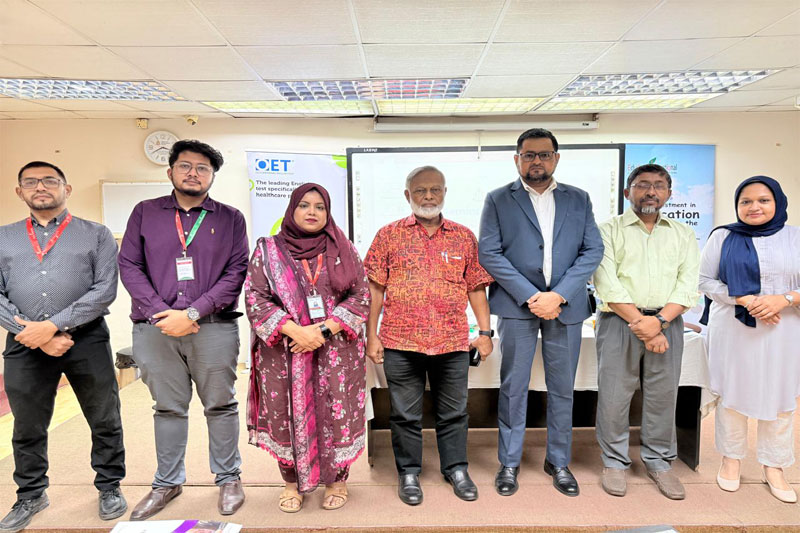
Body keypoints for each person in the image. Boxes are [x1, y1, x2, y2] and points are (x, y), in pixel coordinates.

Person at [118, 140, 249, 520]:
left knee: (221, 405)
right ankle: (167, 482)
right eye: (186, 166)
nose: (194, 173)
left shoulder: (230, 218)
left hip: (213, 327)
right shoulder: (145, 212)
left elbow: (236, 272)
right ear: (170, 171)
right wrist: (163, 313)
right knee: (168, 408)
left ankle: (228, 478)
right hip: (155, 328)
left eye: (202, 168)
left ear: (212, 176)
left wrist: (191, 312)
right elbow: (129, 266)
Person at [0, 161, 126, 532]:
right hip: (24, 341)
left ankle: (109, 486)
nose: (40, 187)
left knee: (104, 416)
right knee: (27, 423)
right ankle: (31, 494)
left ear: (66, 189)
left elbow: (104, 290)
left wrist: (52, 327)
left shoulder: (96, 234)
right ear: (19, 191)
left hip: (87, 338)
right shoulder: (3, 237)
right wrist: (31, 333)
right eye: (30, 182)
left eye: (49, 180)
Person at [478, 128, 603, 497]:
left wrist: (559, 295)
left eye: (544, 154)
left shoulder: (578, 198)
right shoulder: (498, 199)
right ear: (517, 159)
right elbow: (489, 253)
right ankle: (509, 462)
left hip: (566, 306)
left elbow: (592, 251)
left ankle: (559, 461)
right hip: (517, 306)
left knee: (562, 387)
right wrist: (532, 295)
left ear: (556, 158)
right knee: (513, 386)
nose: (537, 161)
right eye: (529, 154)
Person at [364, 166, 494, 506]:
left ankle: (457, 469)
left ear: (445, 192)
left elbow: (476, 287)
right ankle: (408, 472)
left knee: (455, 412)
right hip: (400, 342)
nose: (428, 196)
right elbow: (375, 290)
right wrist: (371, 335)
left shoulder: (464, 237)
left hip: (452, 342)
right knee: (404, 414)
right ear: (408, 195)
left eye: (435, 189)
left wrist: (485, 332)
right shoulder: (388, 235)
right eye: (420, 190)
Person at [244, 183, 370, 513]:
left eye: (319, 207)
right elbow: (255, 297)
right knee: (286, 413)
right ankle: (291, 483)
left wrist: (323, 330)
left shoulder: (343, 248)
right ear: (292, 209)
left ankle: (337, 481)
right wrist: (296, 332)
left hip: (336, 352)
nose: (312, 212)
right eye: (304, 205)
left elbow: (361, 295)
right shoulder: (267, 250)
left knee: (337, 413)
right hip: (284, 352)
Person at [592, 164, 700, 500]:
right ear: (627, 192)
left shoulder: (683, 234)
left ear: (669, 193)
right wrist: (646, 326)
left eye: (658, 186)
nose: (651, 192)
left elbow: (687, 284)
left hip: (668, 322)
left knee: (663, 394)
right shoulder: (607, 230)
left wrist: (660, 322)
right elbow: (606, 282)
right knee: (614, 394)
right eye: (642, 185)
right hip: (618, 321)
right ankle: (614, 461)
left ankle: (659, 461)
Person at [699, 176, 799, 503]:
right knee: (733, 392)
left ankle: (774, 466)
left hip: (783, 328)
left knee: (780, 395)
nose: (754, 207)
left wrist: (782, 299)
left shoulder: (795, 237)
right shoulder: (723, 236)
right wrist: (746, 299)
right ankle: (731, 459)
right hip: (734, 326)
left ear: (778, 203)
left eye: (763, 200)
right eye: (746, 201)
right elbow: (705, 281)